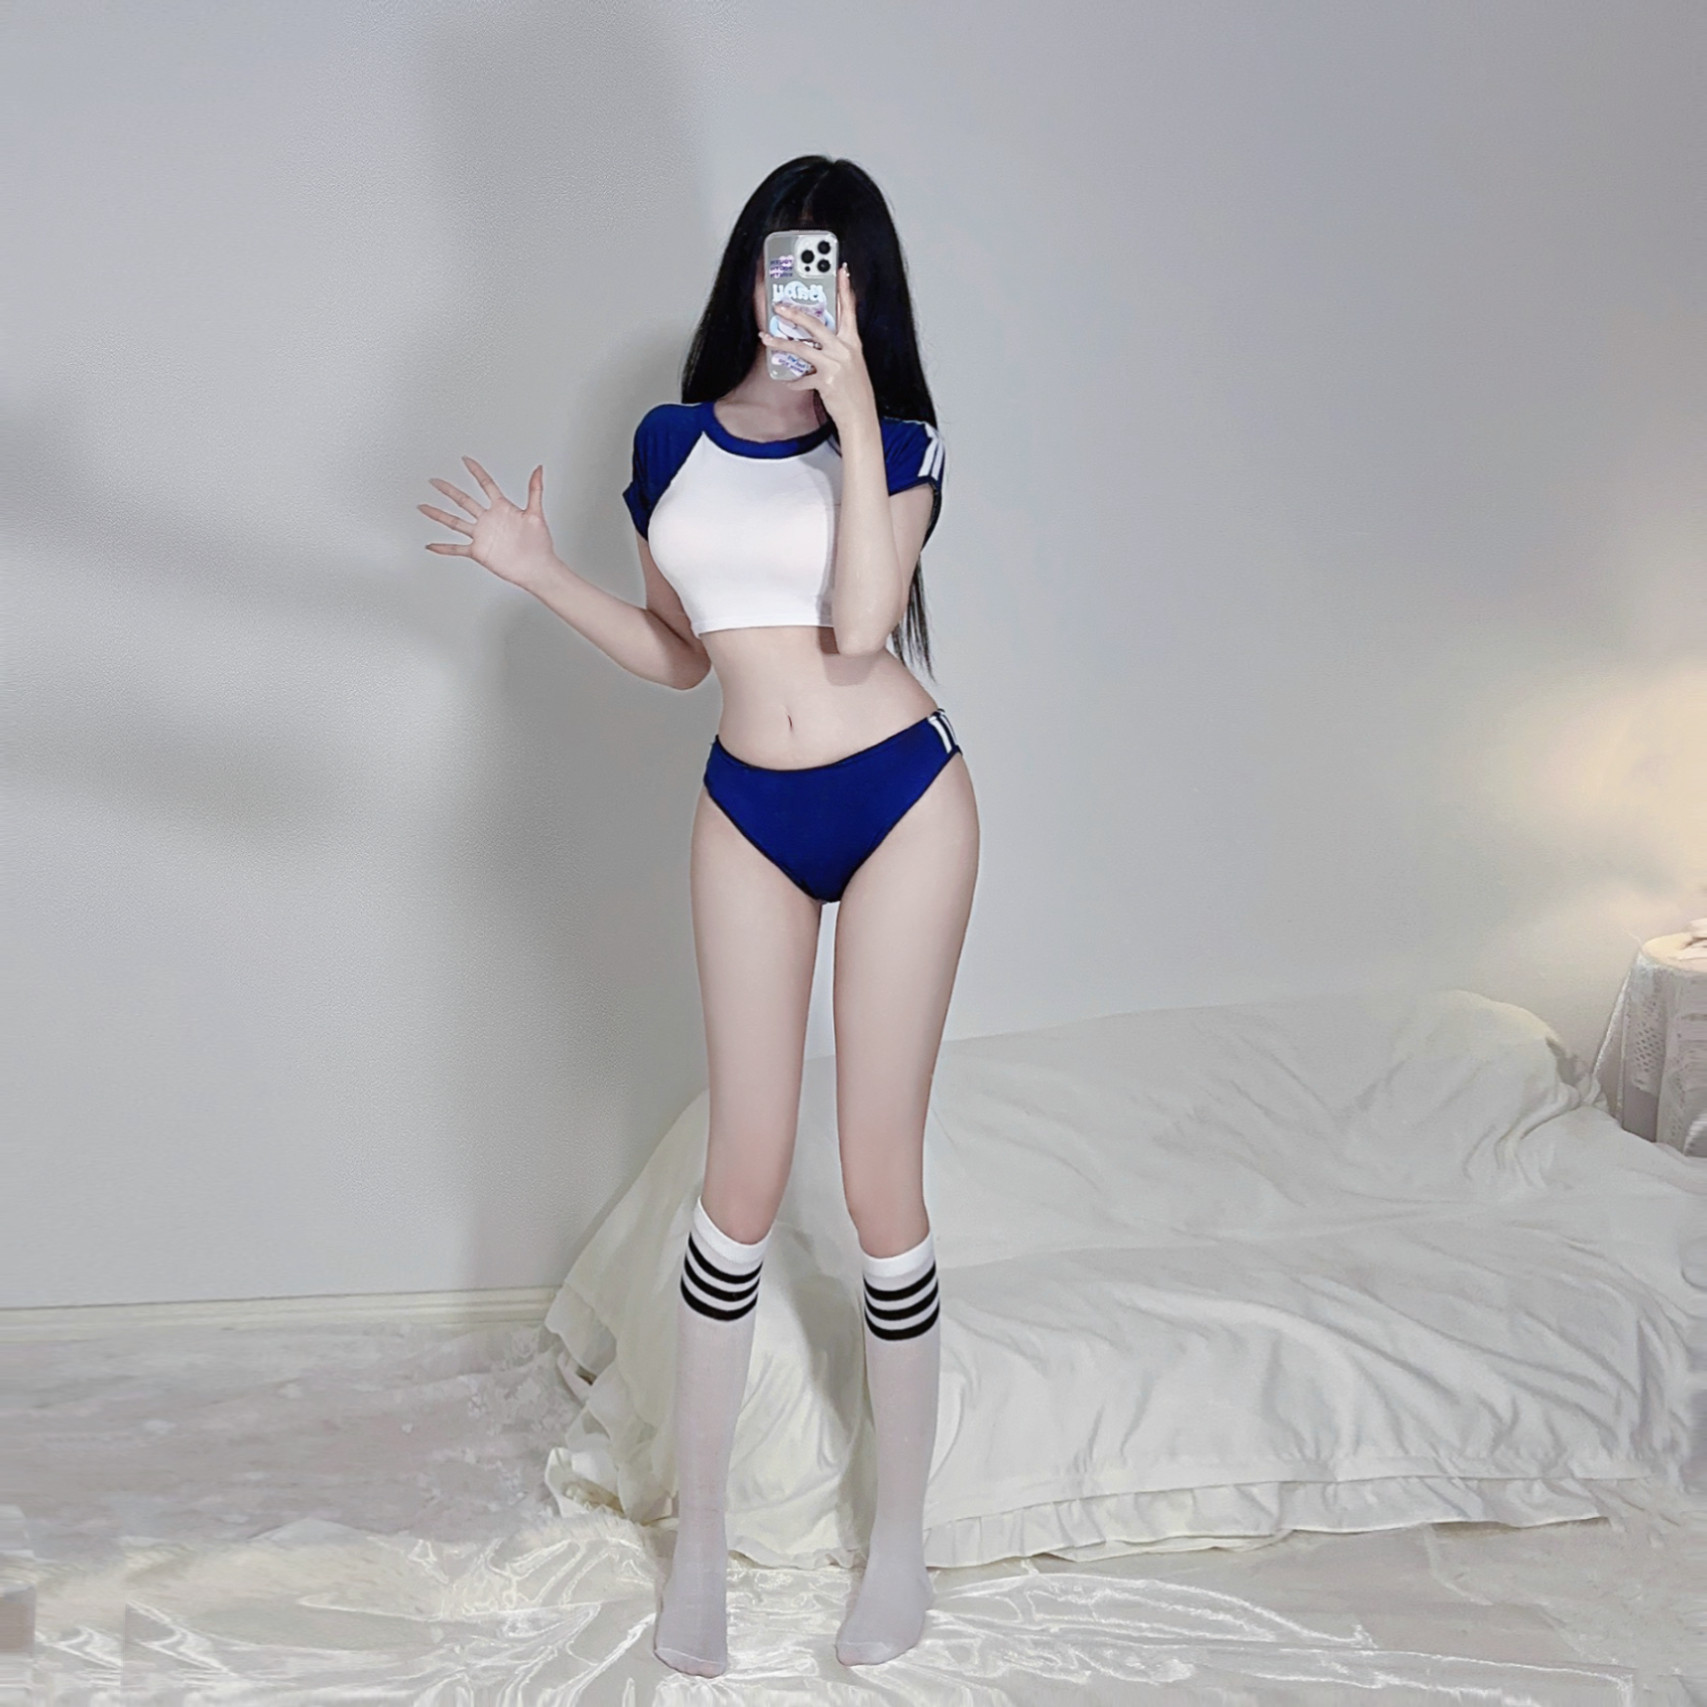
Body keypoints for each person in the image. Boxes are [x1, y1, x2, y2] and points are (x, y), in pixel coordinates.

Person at [419, 154, 978, 1677]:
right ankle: (703, 1545)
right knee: (738, 1175)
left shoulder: (902, 441)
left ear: (862, 294)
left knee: (877, 1180)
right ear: (749, 269)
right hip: (748, 809)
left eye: (832, 271)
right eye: (787, 260)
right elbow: (682, 657)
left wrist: (851, 409)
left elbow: (861, 624)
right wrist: (538, 571)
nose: (801, 292)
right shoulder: (671, 442)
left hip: (904, 802)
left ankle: (901, 1546)